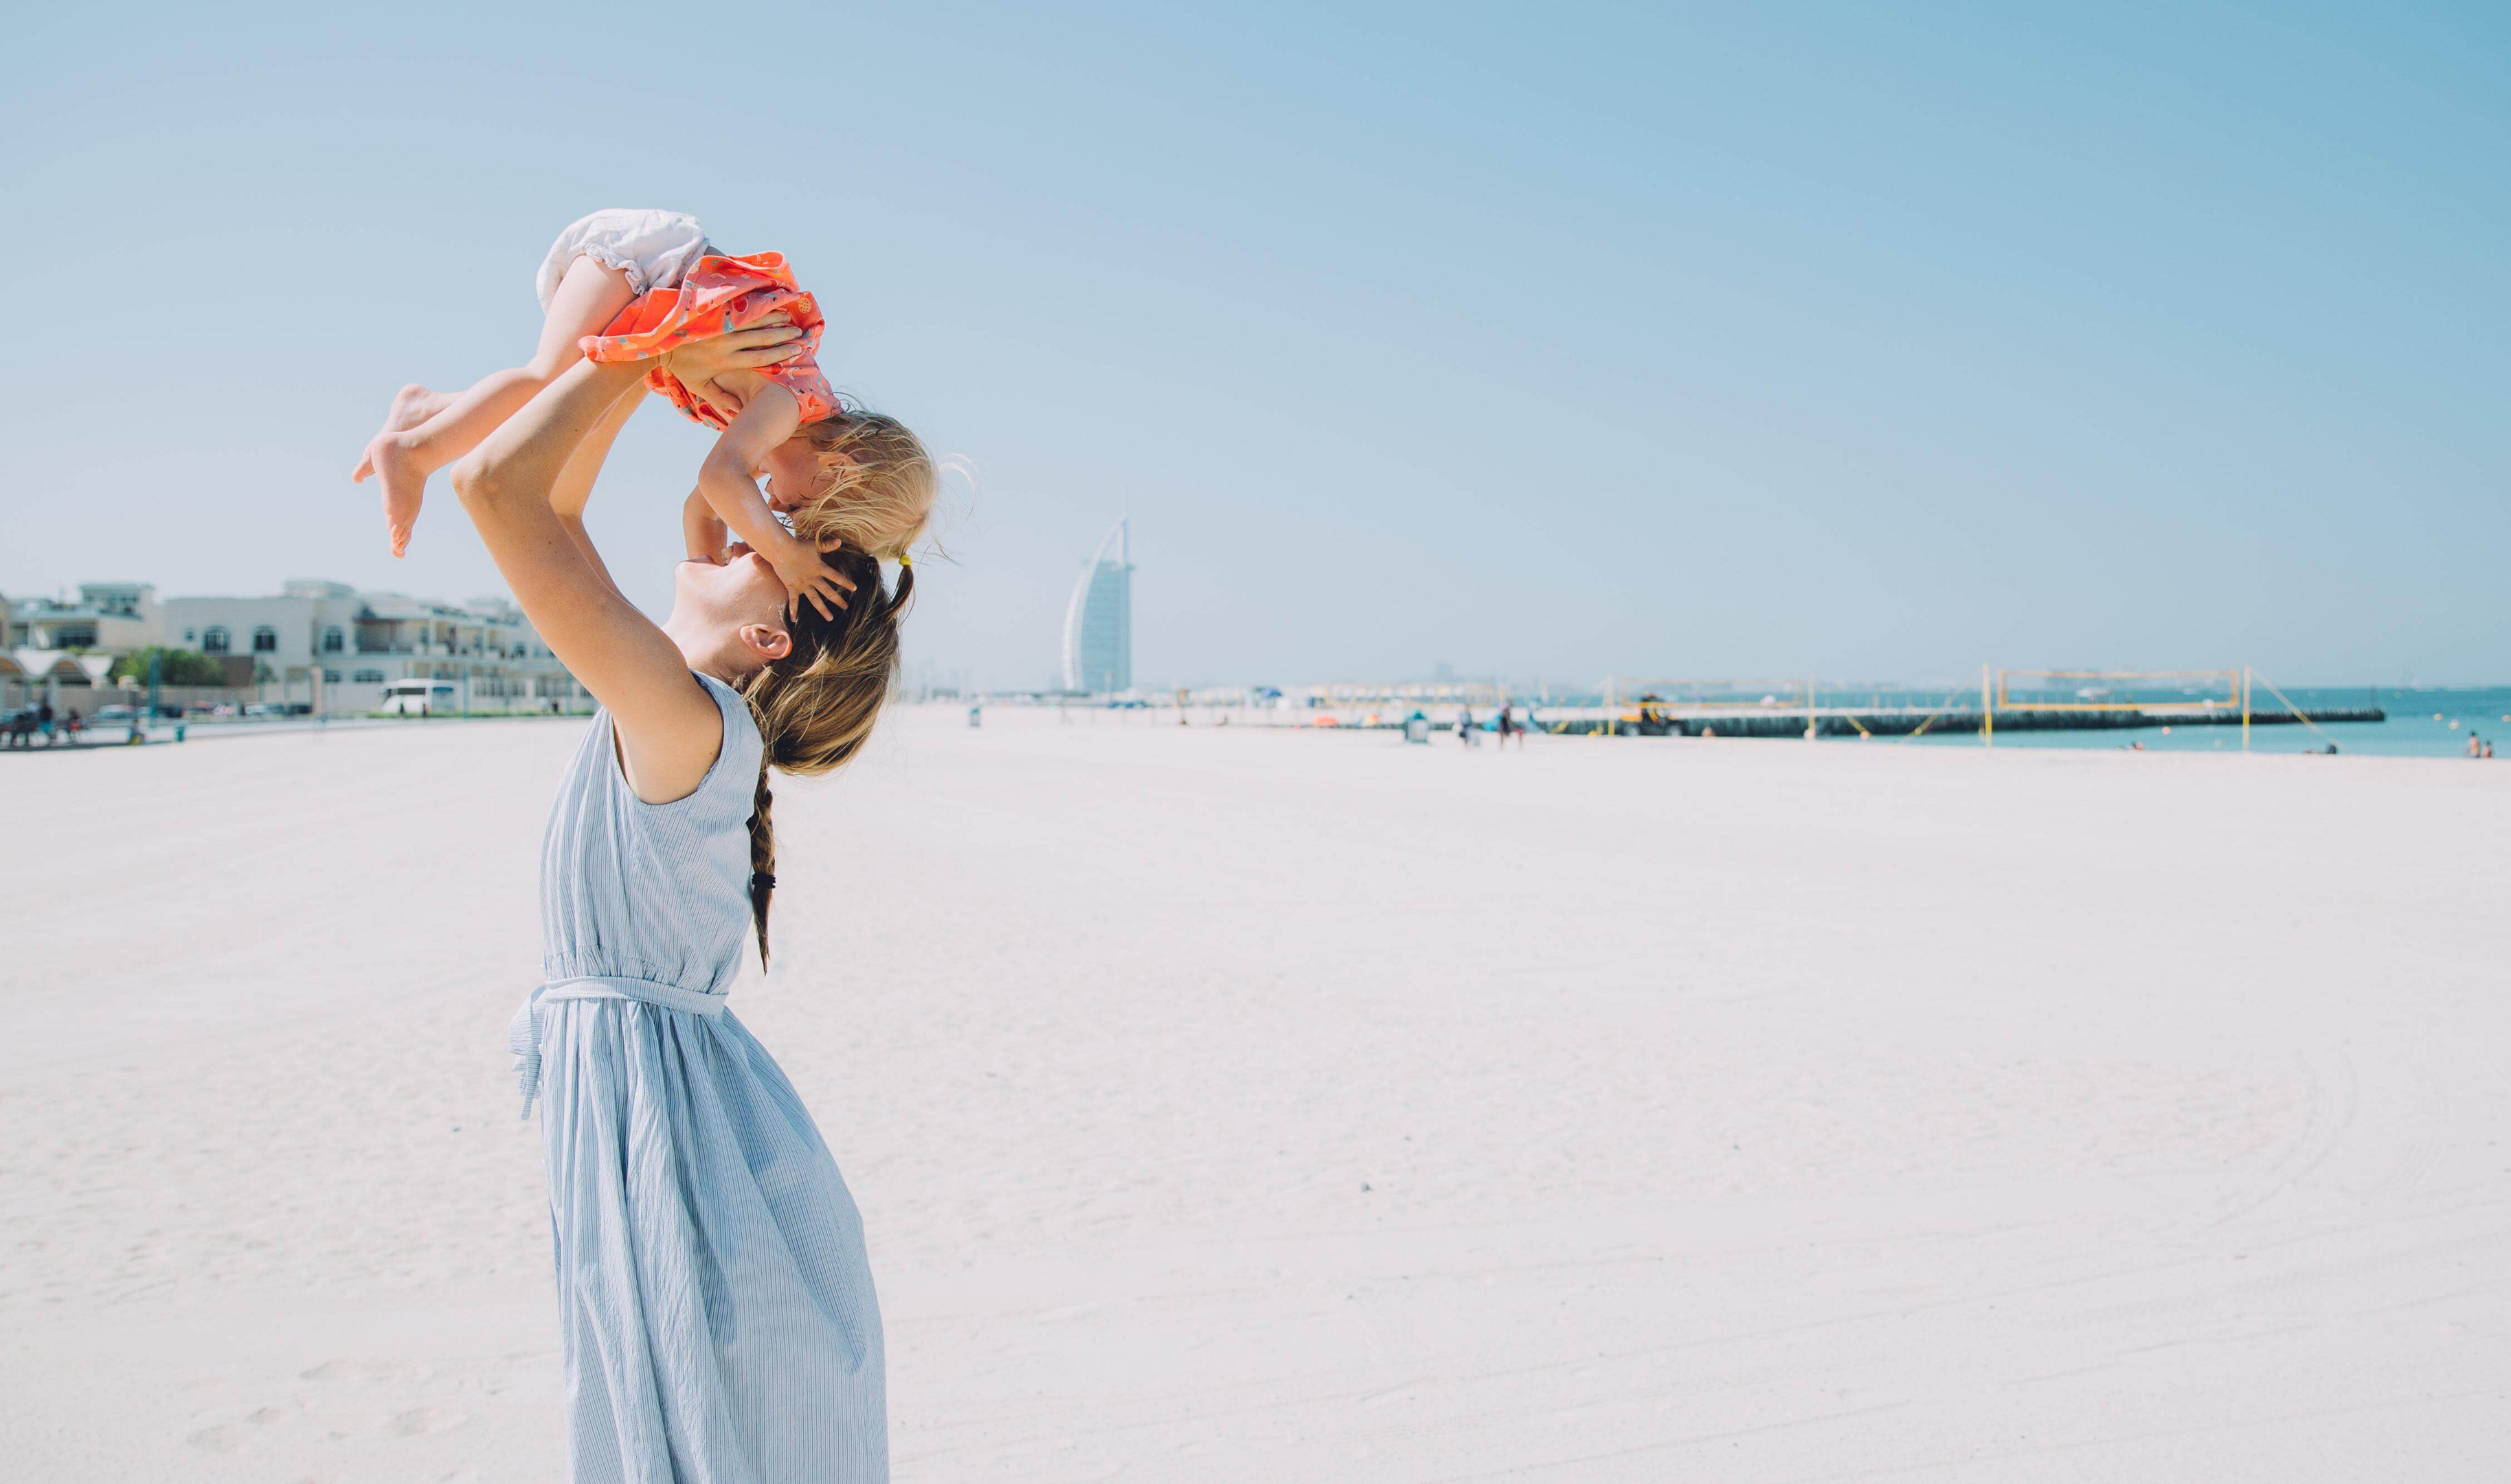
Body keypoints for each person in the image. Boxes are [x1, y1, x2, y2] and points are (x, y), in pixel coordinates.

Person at [455, 325, 905, 1479]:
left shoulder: (688, 721)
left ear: (766, 634)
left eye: (774, 543)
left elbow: (495, 491)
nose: (754, 519)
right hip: (662, 1115)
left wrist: (650, 341)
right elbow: (545, 506)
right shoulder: (683, 711)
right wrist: (645, 360)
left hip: (669, 1128)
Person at [356, 209, 935, 617]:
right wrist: (785, 556)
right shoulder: (790, 403)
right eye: (801, 506)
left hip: (645, 305)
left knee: (548, 407)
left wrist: (705, 570)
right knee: (545, 378)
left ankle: (428, 408)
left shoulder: (778, 438)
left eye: (789, 519)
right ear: (839, 469)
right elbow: (717, 479)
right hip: (645, 262)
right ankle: (412, 450)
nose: (778, 507)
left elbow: (703, 502)